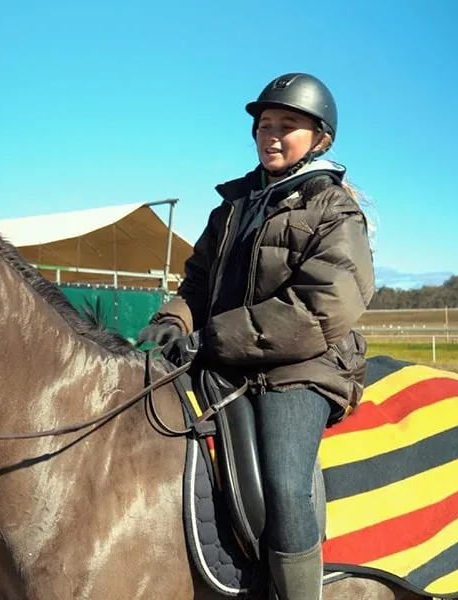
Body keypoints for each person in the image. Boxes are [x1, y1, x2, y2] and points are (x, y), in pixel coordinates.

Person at [138, 73, 375, 599]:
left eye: (287, 126)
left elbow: (320, 309)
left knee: (286, 487)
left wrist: (215, 337)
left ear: (321, 138)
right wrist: (174, 320)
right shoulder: (233, 206)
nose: (271, 135)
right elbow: (199, 281)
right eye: (264, 125)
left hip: (302, 367)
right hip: (223, 355)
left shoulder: (334, 210)